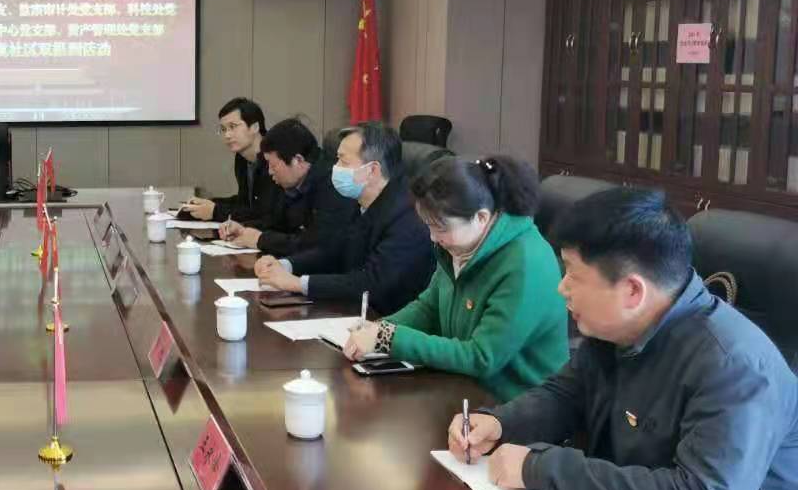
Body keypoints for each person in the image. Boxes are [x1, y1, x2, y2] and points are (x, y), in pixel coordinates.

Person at [448, 188, 798, 490]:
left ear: (632, 291)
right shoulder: (618, 327)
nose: (561, 288)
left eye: (573, 275)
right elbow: (568, 394)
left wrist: (540, 467)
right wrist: (501, 423)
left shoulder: (734, 366)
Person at [343, 155, 568, 402]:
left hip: (516, 405)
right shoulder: (462, 246)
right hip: (463, 388)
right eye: (428, 226)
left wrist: (389, 338)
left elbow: (481, 357)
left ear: (481, 217)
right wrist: (379, 328)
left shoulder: (525, 263)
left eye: (441, 228)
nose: (433, 237)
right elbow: (429, 307)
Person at [254, 122, 433, 315]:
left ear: (372, 170)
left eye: (343, 162)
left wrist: (299, 284)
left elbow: (373, 283)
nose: (335, 168)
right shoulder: (362, 200)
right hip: (356, 312)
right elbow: (336, 250)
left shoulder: (407, 214)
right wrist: (286, 265)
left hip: (389, 319)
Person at [216, 120, 355, 256]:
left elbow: (316, 245)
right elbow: (279, 222)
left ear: (297, 160)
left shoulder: (334, 186)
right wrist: (244, 229)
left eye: (273, 165)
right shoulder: (295, 182)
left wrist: (261, 240)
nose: (270, 172)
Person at [181, 97, 276, 223]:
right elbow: (244, 203)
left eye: (233, 127)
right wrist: (209, 204)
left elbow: (265, 213)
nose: (227, 135)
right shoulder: (242, 158)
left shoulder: (275, 157)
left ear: (255, 127)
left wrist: (215, 211)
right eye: (223, 129)